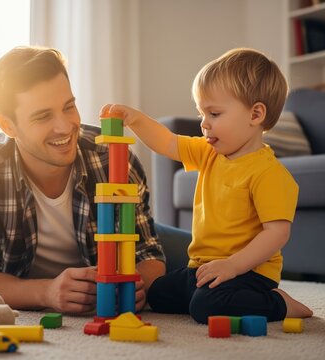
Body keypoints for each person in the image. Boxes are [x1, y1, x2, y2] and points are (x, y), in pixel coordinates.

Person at [0, 46, 166, 313]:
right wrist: (47, 292)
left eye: (69, 107)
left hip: (146, 237)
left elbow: (149, 255)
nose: (64, 127)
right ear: (7, 125)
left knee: (202, 257)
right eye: (43, 116)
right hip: (28, 277)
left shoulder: (113, 157)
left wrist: (137, 284)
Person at [100, 48, 313, 324]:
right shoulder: (208, 152)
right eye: (202, 113)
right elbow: (168, 142)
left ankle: (279, 303)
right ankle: (204, 292)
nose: (204, 123)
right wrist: (136, 119)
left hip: (248, 273)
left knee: (206, 307)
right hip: (201, 267)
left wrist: (233, 266)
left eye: (214, 113)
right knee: (158, 294)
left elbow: (277, 234)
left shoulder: (269, 173)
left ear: (256, 114)